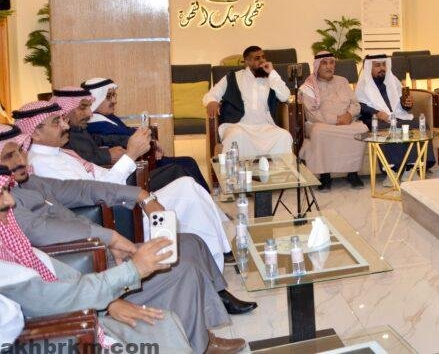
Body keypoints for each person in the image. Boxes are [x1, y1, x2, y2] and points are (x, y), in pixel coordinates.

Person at [0, 125, 255, 330]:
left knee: (190, 242)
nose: (21, 160)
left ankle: (209, 320)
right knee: (183, 267)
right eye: (9, 156)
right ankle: (195, 342)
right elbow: (40, 230)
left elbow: (84, 188)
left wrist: (141, 195)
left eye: (20, 151)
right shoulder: (6, 205)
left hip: (98, 250)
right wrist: (109, 237)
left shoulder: (29, 184)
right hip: (84, 265)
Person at [0, 166, 198, 353]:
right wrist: (133, 270)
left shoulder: (8, 242)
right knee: (162, 324)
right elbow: (48, 300)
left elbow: (60, 276)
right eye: (1, 193)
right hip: (60, 336)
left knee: (164, 322)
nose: (10, 201)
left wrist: (110, 303)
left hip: (74, 315)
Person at [16, 101, 233, 272]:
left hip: (122, 202)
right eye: (57, 122)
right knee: (188, 191)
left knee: (187, 185)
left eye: (63, 120)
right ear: (34, 132)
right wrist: (131, 154)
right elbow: (96, 195)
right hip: (115, 218)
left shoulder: (60, 153)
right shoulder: (41, 163)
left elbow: (101, 180)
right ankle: (221, 255)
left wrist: (132, 167)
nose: (65, 126)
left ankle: (222, 249)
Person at [53, 86, 202, 193]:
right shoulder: (63, 137)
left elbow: (101, 139)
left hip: (112, 177)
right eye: (82, 108)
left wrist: (127, 142)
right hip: (113, 184)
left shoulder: (78, 128)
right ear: (65, 110)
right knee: (179, 171)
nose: (89, 114)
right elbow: (84, 159)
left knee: (181, 173)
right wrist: (109, 155)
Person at [203, 45, 292, 158]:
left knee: (283, 136)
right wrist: (212, 101)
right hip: (238, 125)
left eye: (263, 57)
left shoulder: (271, 79)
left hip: (265, 126)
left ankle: (277, 170)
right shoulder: (233, 77)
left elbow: (285, 96)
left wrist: (272, 73)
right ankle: (235, 170)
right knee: (236, 136)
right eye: (257, 58)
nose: (262, 61)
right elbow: (211, 94)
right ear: (247, 61)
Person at [356, 54, 436, 171]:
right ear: (369, 68)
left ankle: (415, 164)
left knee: (418, 123)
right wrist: (377, 113)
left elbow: (401, 104)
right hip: (375, 120)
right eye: (377, 65)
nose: (382, 68)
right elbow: (360, 106)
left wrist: (407, 104)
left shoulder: (392, 80)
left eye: (384, 65)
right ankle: (394, 168)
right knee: (389, 128)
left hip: (396, 117)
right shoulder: (363, 85)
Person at [299, 52, 365, 190]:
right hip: (321, 124)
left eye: (331, 63)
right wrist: (336, 119)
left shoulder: (343, 81)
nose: (329, 66)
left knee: (361, 129)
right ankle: (325, 176)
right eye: (324, 63)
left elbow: (355, 104)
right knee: (319, 132)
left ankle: (352, 173)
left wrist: (349, 114)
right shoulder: (308, 86)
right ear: (317, 66)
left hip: (347, 121)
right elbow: (312, 114)